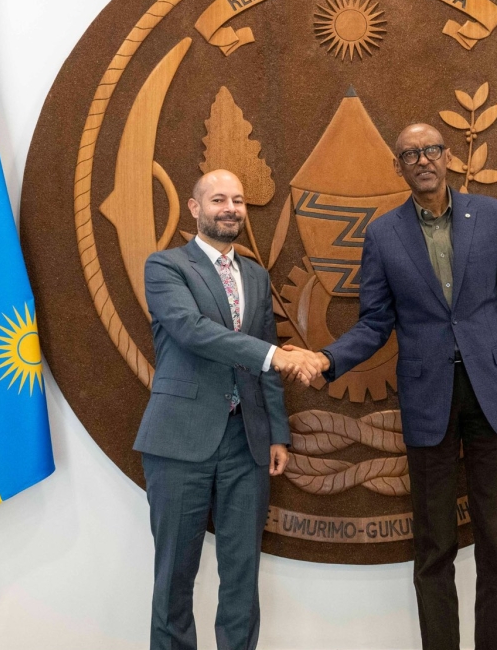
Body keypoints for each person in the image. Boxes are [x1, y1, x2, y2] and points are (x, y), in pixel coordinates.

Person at [285, 124, 497, 650]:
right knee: (433, 548)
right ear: (399, 168)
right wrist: (326, 357)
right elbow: (374, 323)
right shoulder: (383, 235)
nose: (422, 160)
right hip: (428, 402)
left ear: (448, 158)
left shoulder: (492, 216)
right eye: (410, 154)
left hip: (493, 397)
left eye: (430, 150)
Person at [134, 169, 325, 650]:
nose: (231, 208)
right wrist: (276, 356)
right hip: (180, 442)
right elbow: (193, 330)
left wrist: (277, 431)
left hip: (247, 445)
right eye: (218, 199)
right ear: (195, 208)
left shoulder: (256, 276)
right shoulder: (165, 267)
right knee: (175, 579)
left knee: (242, 579)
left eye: (238, 200)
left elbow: (264, 352)